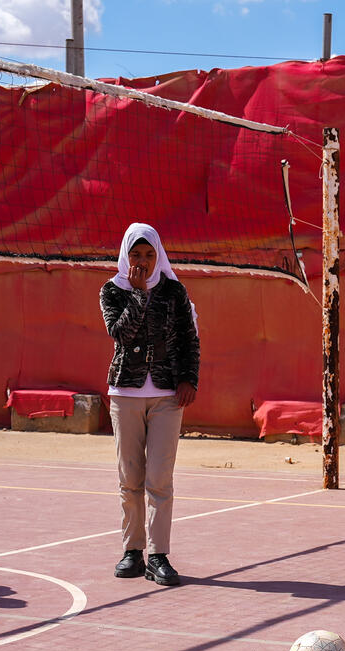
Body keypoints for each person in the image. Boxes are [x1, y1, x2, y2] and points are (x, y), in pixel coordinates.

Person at [100, 223, 200, 586]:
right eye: (136, 255)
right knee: (130, 478)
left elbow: (189, 339)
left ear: (159, 256)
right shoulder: (112, 291)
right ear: (126, 256)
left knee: (160, 477)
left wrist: (189, 377)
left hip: (167, 396)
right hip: (125, 395)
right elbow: (120, 334)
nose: (142, 262)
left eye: (149, 255)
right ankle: (132, 551)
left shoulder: (174, 292)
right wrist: (138, 294)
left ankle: (158, 556)